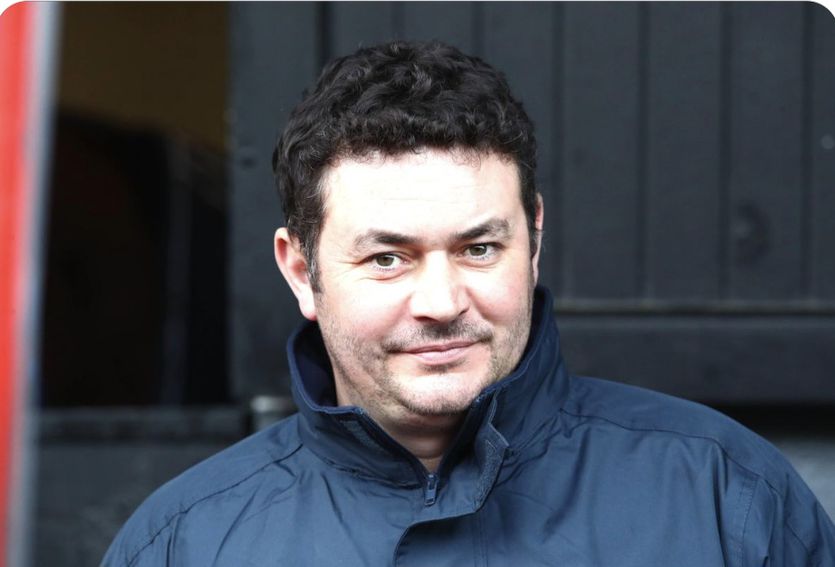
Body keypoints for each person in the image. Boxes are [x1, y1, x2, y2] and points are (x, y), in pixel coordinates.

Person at [103, 40, 835, 566]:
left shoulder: (725, 496)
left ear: (533, 239)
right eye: (387, 258)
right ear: (301, 271)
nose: (441, 301)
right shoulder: (185, 542)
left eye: (478, 248)